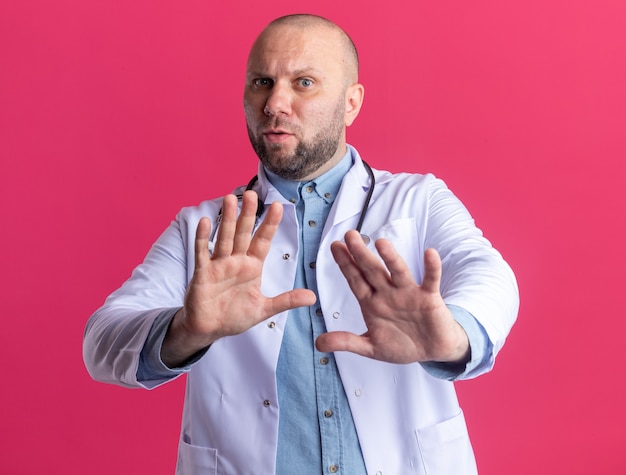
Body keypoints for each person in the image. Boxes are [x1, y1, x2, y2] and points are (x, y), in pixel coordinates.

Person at [83, 13, 519, 475]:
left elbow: (489, 273)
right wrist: (186, 330)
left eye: (304, 82)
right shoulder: (205, 226)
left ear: (351, 103)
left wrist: (452, 336)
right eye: (262, 81)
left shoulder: (418, 200)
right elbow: (102, 340)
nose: (275, 102)